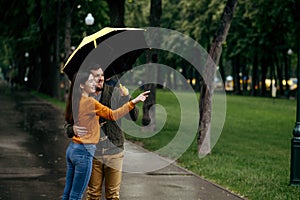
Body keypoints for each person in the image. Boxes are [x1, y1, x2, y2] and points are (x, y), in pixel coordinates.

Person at [62, 70, 149, 200]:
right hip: (93, 153)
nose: (100, 78)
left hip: (113, 151)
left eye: (102, 75)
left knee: (113, 195)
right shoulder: (84, 98)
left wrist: (127, 98)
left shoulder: (114, 92)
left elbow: (134, 117)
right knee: (92, 194)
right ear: (88, 79)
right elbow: (69, 122)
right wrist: (72, 129)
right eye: (96, 76)